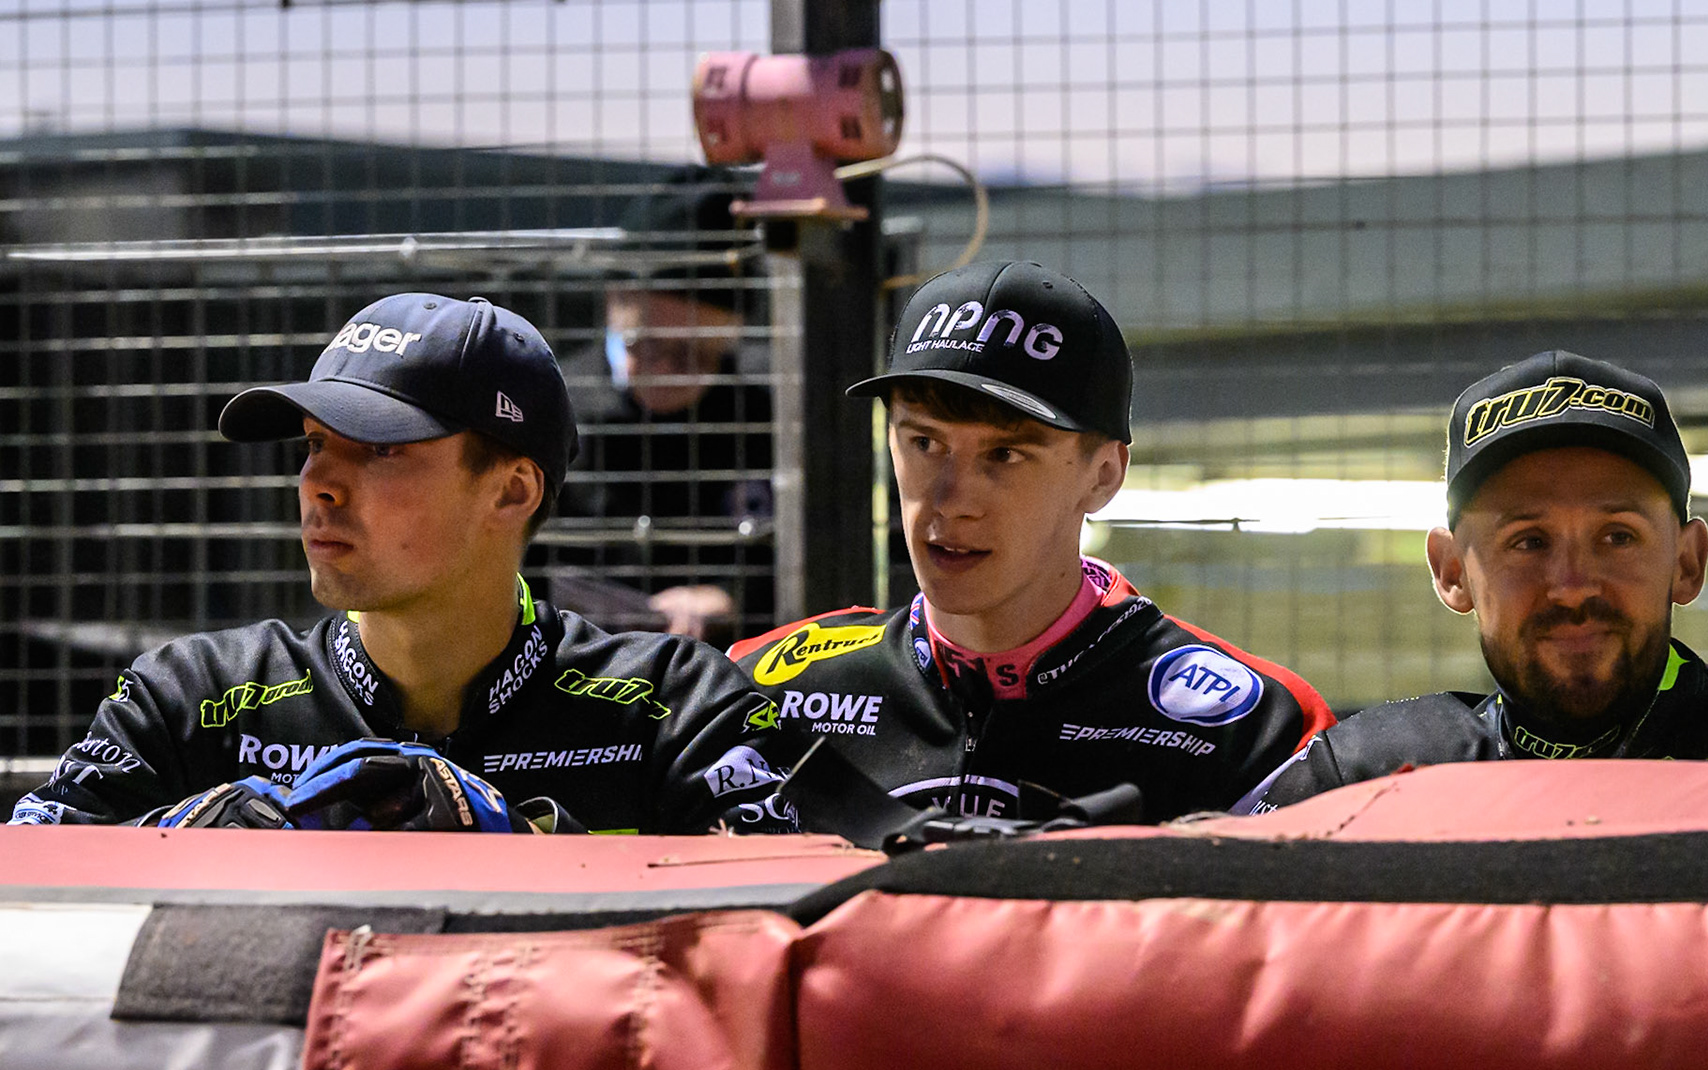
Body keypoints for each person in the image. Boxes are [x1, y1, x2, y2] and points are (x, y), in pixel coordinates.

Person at [9, 292, 794, 834]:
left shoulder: (673, 707)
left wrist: (525, 847)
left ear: (512, 491)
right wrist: (175, 837)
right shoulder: (190, 699)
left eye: (380, 448)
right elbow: (32, 888)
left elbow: (780, 925)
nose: (318, 481)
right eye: (316, 442)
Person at [727, 260, 1335, 825]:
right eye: (925, 443)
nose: (952, 498)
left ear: (1103, 476)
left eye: (1004, 453)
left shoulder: (1259, 727)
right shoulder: (762, 688)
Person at [1250, 349, 1708, 812]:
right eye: (1528, 541)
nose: (1571, 585)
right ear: (1452, 572)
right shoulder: (1366, 772)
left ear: (1688, 562)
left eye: (1617, 536)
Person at [547, 165, 770, 644]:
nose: (667, 370)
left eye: (695, 354)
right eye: (643, 347)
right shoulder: (553, 405)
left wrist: (731, 596)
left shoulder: (767, 410)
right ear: (614, 304)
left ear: (733, 333)